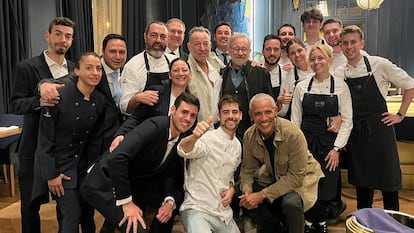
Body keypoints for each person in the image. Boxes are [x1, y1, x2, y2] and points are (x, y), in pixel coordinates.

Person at [80, 92, 200, 233]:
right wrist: (127, 203)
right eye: (184, 112)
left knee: (169, 207)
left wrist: (169, 201)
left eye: (193, 115)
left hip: (133, 181)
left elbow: (171, 175)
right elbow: (117, 158)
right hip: (103, 182)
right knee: (135, 227)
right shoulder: (154, 126)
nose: (188, 119)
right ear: (173, 110)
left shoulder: (183, 137)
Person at [334, 25, 414, 211]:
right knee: (363, 184)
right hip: (357, 134)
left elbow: (410, 85)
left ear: (362, 43)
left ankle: (392, 224)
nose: (349, 47)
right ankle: (364, 224)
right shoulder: (340, 72)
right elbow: (338, 103)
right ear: (341, 46)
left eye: (353, 42)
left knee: (389, 182)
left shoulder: (379, 64)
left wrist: (400, 114)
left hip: (381, 131)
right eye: (345, 43)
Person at [9, 17, 75, 233]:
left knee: (65, 207)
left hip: (63, 151)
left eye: (67, 36)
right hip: (33, 148)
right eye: (58, 34)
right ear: (48, 36)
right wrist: (39, 101)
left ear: (72, 41)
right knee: (30, 206)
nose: (62, 40)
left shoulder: (75, 70)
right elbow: (16, 105)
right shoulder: (27, 67)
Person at [32, 52, 105, 233]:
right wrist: (51, 175)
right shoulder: (58, 96)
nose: (95, 72)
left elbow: (95, 141)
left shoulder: (99, 101)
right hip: (61, 168)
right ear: (77, 71)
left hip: (83, 168)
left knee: (87, 215)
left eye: (98, 68)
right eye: (89, 68)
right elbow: (45, 141)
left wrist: (92, 172)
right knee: (71, 215)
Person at [239, 93, 324, 233]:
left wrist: (260, 195)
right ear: (251, 115)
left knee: (290, 202)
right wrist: (247, 191)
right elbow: (247, 170)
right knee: (239, 190)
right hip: (275, 174)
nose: (264, 118)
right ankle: (273, 226)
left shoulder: (293, 134)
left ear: (276, 111)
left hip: (303, 178)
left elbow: (296, 177)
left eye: (268, 112)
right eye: (258, 114)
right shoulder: (249, 135)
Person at [291, 45, 353, 233]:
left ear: (330, 60)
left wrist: (336, 149)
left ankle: (320, 221)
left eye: (320, 58)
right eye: (313, 59)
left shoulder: (341, 87)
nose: (316, 62)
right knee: (307, 184)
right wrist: (299, 149)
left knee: (326, 187)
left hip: (329, 146)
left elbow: (348, 121)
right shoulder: (302, 87)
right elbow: (295, 121)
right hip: (306, 144)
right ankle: (311, 222)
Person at [177, 95, 242, 233]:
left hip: (223, 214)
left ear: (241, 116)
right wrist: (195, 136)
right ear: (219, 116)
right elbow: (183, 150)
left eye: (234, 112)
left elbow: (229, 174)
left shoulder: (237, 146)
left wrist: (231, 189)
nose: (231, 116)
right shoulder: (207, 138)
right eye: (226, 112)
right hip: (198, 208)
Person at [110, 58, 191, 152]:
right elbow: (136, 118)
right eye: (176, 70)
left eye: (184, 70)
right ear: (169, 75)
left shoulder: (192, 101)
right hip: (149, 149)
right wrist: (121, 134)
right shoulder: (155, 93)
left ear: (190, 74)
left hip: (176, 153)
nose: (181, 73)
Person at [221, 33, 273, 141]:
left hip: (254, 132)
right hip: (227, 132)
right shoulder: (222, 73)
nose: (240, 53)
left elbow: (269, 105)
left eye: (244, 49)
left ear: (249, 52)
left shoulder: (261, 73)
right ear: (229, 50)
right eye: (236, 49)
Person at [119, 21, 177, 114]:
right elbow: (124, 108)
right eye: (153, 35)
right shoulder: (133, 66)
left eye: (163, 37)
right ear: (145, 37)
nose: (158, 40)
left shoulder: (175, 62)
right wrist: (137, 98)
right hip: (145, 124)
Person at [187, 26, 225, 125]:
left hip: (221, 125)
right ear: (189, 47)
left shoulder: (215, 62)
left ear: (210, 45)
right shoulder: (186, 70)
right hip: (199, 127)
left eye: (205, 44)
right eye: (197, 44)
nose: (202, 48)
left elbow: (233, 69)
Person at [98, 33, 128, 148]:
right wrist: (44, 84)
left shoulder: (127, 71)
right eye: (112, 51)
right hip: (96, 141)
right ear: (103, 51)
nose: (118, 56)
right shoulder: (93, 70)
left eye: (122, 52)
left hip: (118, 137)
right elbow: (72, 78)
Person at [261, 34, 295, 115]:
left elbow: (284, 111)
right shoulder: (255, 73)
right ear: (263, 52)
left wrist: (280, 102)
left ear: (281, 51)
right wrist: (278, 102)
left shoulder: (287, 73)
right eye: (268, 49)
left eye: (276, 49)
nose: (272, 53)